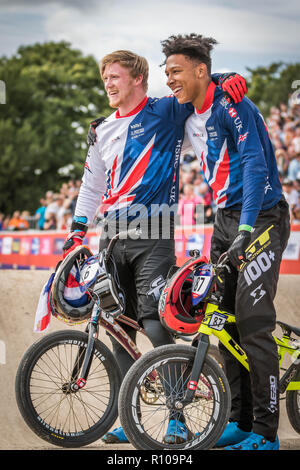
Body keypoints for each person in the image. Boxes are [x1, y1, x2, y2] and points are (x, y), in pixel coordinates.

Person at [62, 49, 246, 444]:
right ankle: (131, 419)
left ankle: (177, 416)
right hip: (109, 239)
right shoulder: (99, 128)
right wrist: (77, 230)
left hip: (154, 234)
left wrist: (226, 76)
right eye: (105, 78)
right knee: (117, 328)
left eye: (115, 76)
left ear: (138, 79)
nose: (108, 84)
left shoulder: (165, 111)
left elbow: (199, 86)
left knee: (154, 322)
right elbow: (91, 186)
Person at [161, 33, 290, 450]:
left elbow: (254, 167)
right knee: (221, 320)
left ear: (201, 71)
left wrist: (248, 229)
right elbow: (144, 110)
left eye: (176, 71)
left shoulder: (234, 105)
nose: (170, 80)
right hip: (224, 220)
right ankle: (241, 420)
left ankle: (267, 434)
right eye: (166, 73)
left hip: (262, 217)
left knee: (252, 323)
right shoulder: (183, 110)